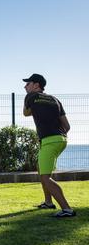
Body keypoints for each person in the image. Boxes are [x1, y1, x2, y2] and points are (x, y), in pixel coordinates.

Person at [22, 74, 75, 217]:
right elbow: (67, 126)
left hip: (49, 141)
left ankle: (67, 209)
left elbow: (26, 113)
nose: (25, 86)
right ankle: (48, 202)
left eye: (28, 84)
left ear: (36, 85)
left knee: (45, 177)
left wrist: (28, 99)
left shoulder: (31, 96)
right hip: (61, 139)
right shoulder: (54, 99)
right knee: (41, 169)